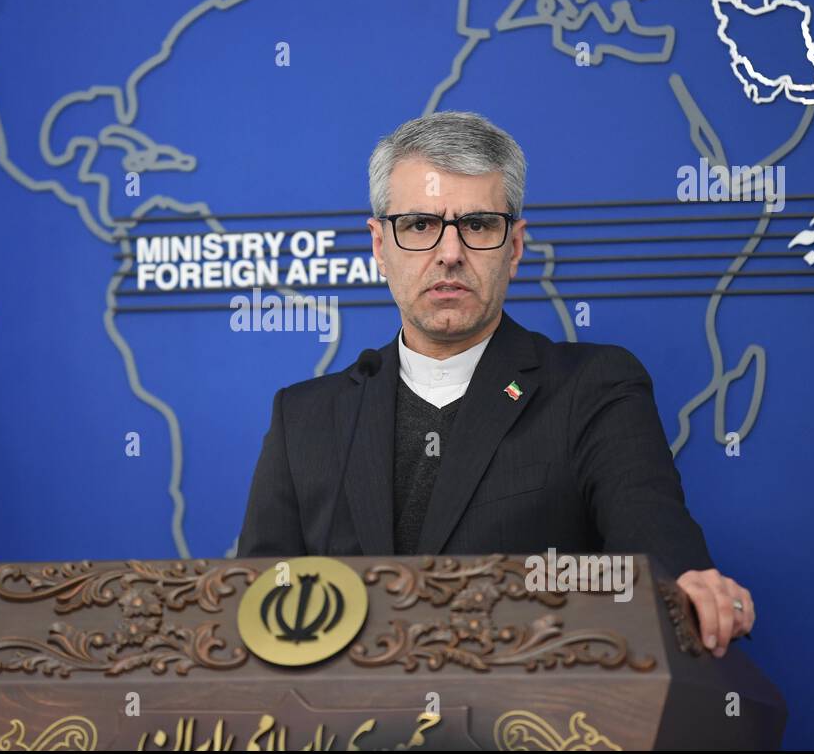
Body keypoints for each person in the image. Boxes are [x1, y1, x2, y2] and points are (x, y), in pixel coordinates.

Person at [236, 110, 754, 658]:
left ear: (514, 246)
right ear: (379, 247)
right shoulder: (305, 419)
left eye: (479, 225)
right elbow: (254, 610)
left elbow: (650, 530)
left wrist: (684, 585)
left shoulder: (593, 389)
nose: (450, 253)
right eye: (418, 225)